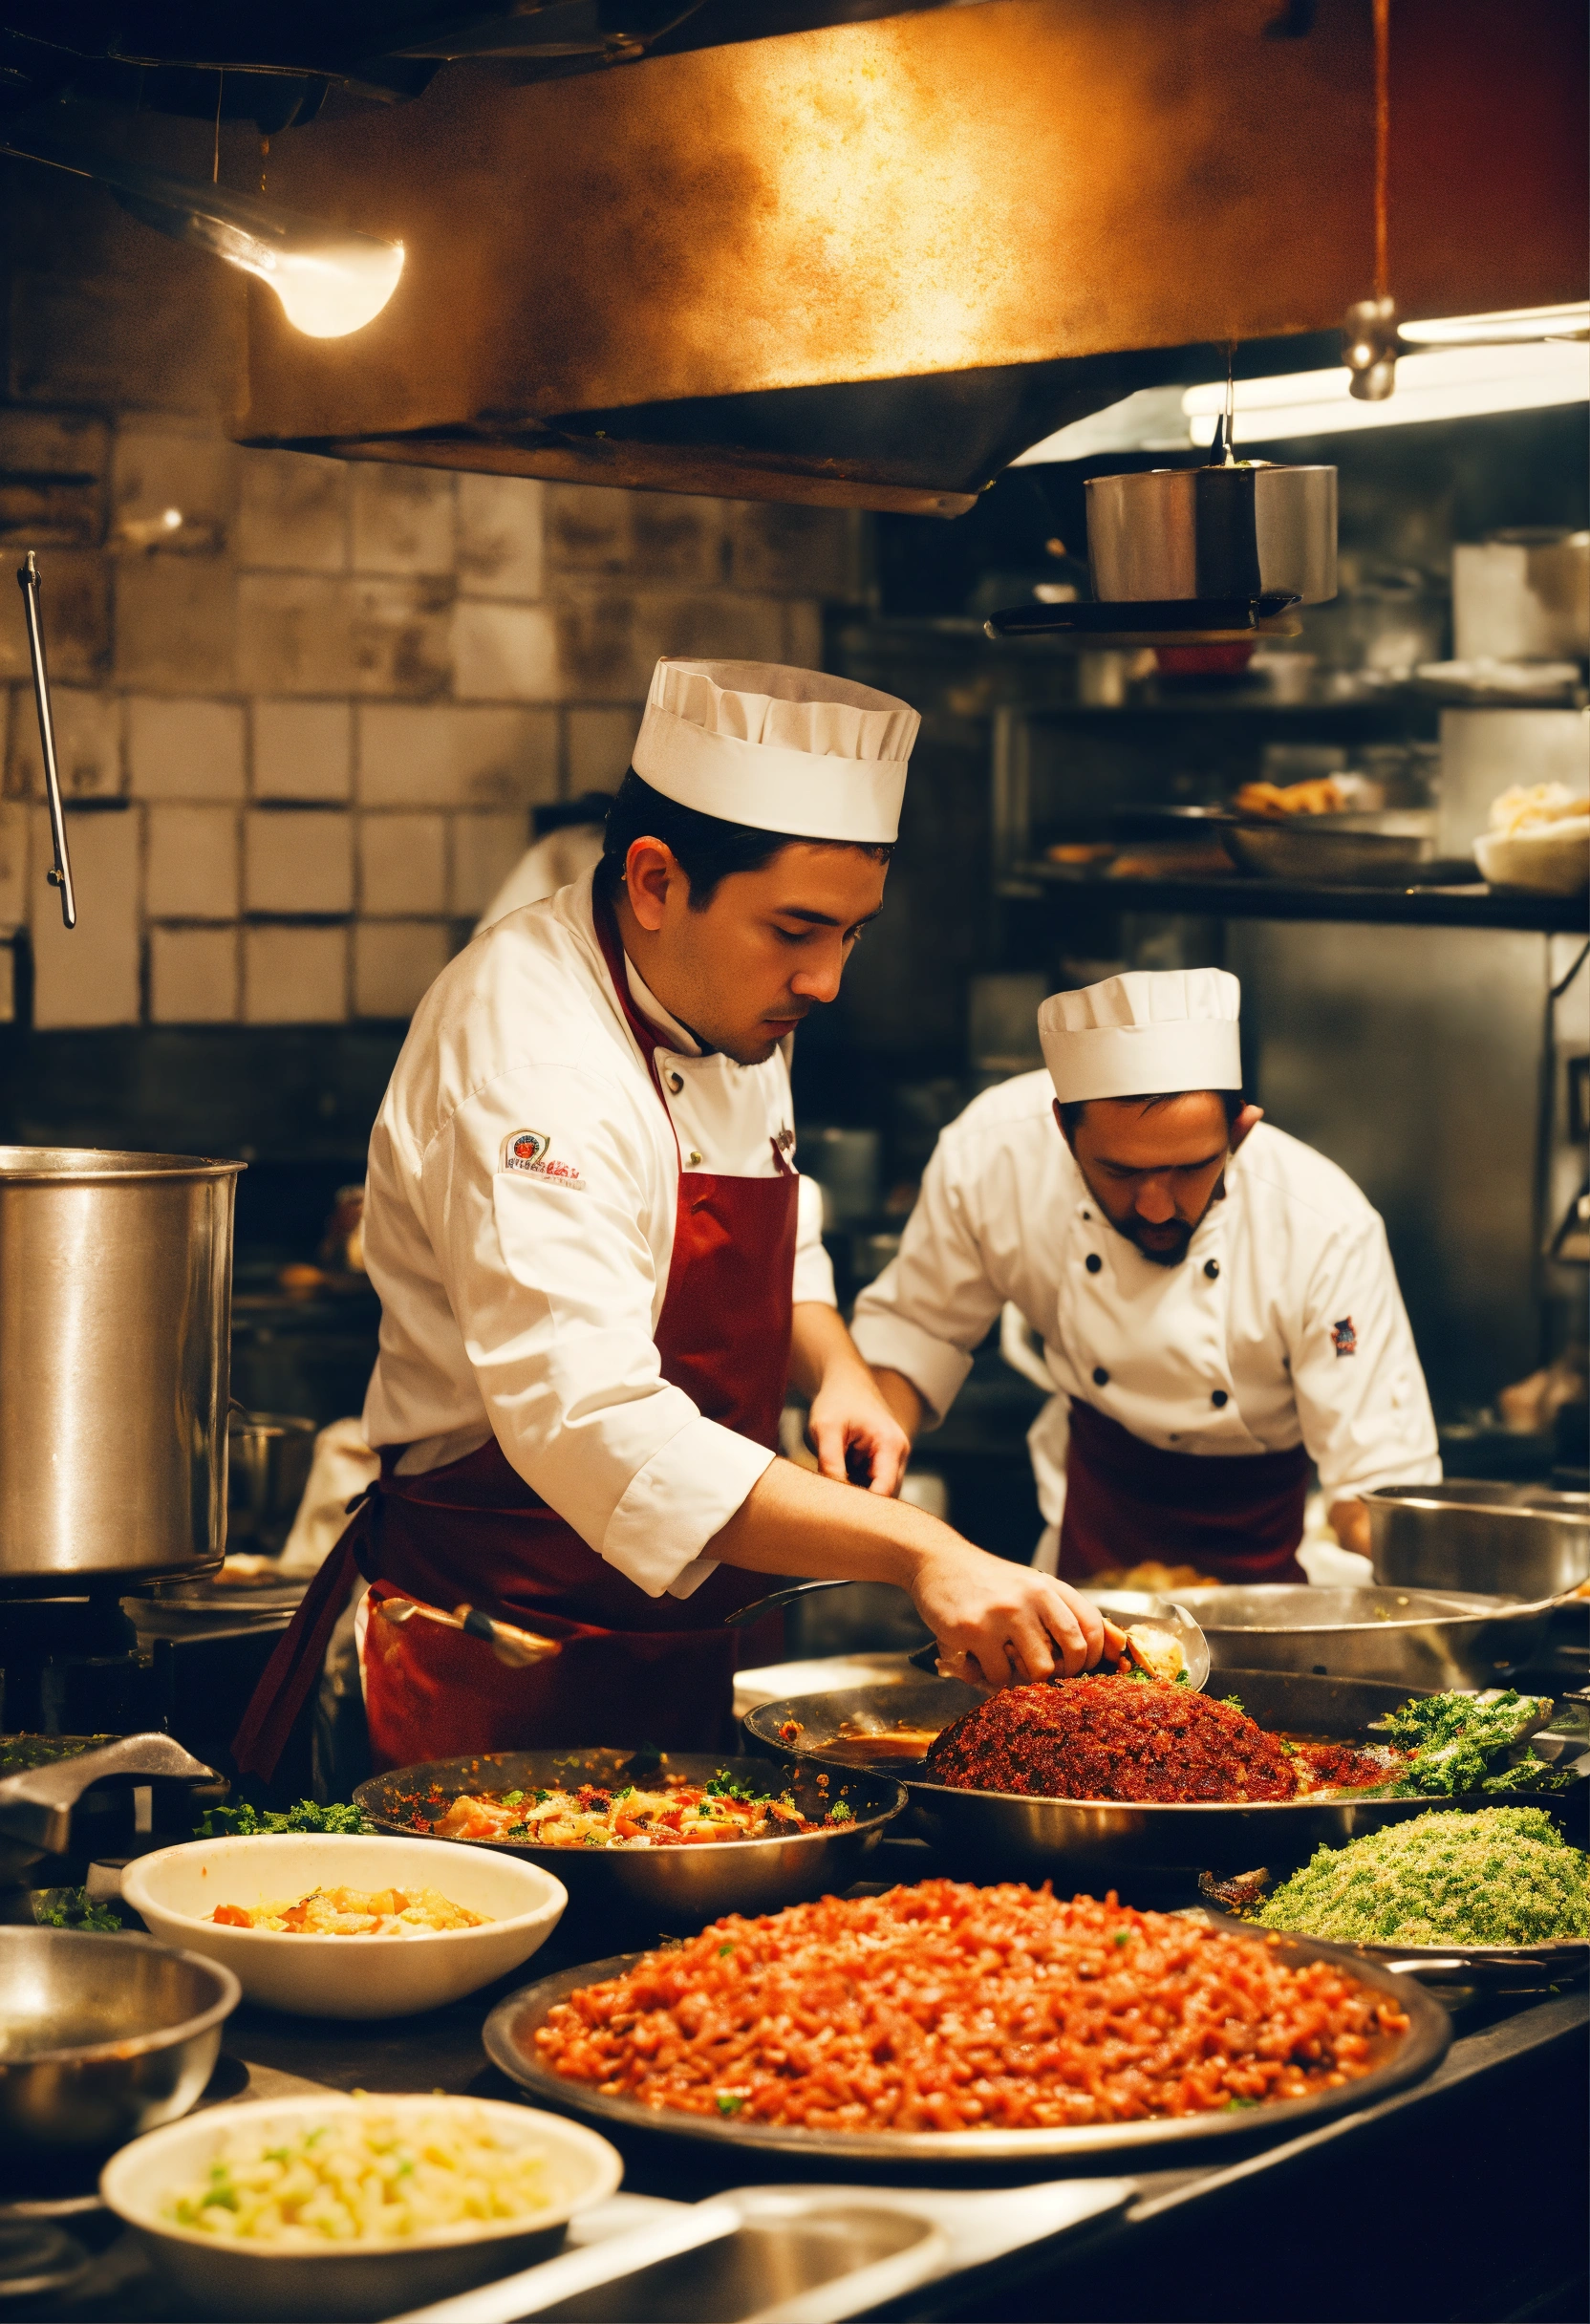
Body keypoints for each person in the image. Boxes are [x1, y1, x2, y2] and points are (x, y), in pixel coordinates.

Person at [234, 658, 1107, 1778]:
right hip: (501, 1648)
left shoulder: (723, 992)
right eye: (795, 929)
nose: (826, 980)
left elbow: (775, 1213)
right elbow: (590, 1418)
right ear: (653, 879)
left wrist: (835, 1366)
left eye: (851, 933)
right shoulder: (532, 1059)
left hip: (699, 1625)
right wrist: (920, 1550)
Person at [851, 968, 1440, 1587]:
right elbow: (918, 1329)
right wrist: (866, 1465)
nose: (1156, 1207)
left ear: (1240, 1132)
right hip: (1085, 1559)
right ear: (1063, 1129)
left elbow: (1377, 1489)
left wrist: (1439, 1573)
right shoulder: (995, 1157)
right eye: (1120, 1172)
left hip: (1264, 1581)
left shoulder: (1323, 1229)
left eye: (1190, 1169)